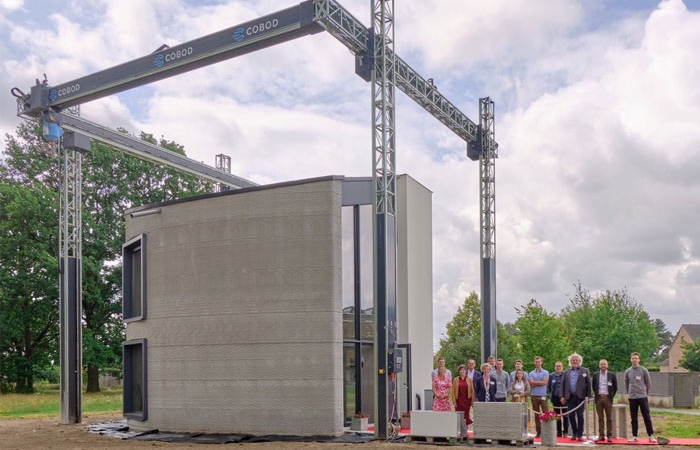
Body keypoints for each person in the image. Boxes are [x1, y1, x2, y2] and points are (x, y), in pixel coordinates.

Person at [625, 352, 656, 443]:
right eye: (633, 358)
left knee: (646, 416)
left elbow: (648, 382)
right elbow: (626, 383)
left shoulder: (643, 370)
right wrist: (629, 393)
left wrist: (646, 393)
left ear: (639, 360)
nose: (634, 360)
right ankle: (634, 436)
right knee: (633, 417)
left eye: (636, 358)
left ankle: (650, 435)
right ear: (630, 359)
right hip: (632, 397)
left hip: (642, 396)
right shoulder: (628, 371)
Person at [561, 353, 591, 441]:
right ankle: (574, 433)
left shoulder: (585, 371)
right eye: (573, 360)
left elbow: (588, 384)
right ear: (570, 361)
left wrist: (588, 397)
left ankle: (580, 434)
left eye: (576, 360)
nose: (574, 361)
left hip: (581, 398)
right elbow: (563, 384)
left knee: (580, 415)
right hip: (570, 397)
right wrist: (562, 396)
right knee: (571, 416)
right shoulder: (566, 372)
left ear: (579, 361)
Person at [593, 359, 617, 443]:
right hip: (599, 397)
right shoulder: (595, 375)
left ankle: (609, 435)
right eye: (601, 364)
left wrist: (610, 396)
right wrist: (598, 394)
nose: (603, 365)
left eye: (604, 364)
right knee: (600, 418)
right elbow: (594, 386)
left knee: (609, 418)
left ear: (607, 365)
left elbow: (615, 387)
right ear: (599, 365)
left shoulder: (612, 375)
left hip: (608, 398)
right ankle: (601, 435)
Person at [529, 356, 549, 438]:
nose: (538, 363)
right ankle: (539, 432)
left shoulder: (545, 372)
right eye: (536, 362)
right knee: (536, 415)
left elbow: (544, 382)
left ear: (541, 362)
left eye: (539, 362)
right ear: (534, 363)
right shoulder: (531, 373)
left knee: (546, 414)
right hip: (534, 396)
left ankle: (547, 431)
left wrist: (535, 383)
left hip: (543, 396)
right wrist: (539, 382)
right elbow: (531, 383)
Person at [547, 361, 569, 437]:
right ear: (555, 367)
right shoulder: (551, 376)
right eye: (557, 366)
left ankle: (565, 432)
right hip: (555, 399)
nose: (558, 367)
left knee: (565, 415)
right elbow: (549, 387)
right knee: (557, 416)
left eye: (560, 366)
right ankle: (558, 431)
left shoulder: (565, 375)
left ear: (562, 367)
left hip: (564, 399)